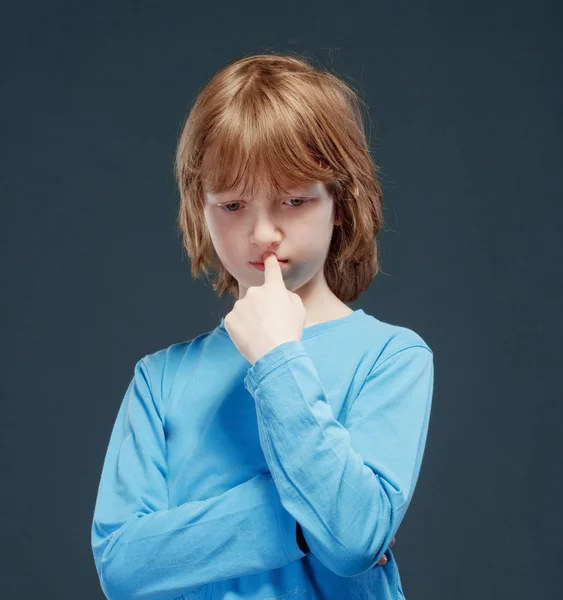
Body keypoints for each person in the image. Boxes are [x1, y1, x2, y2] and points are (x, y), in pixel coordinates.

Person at [91, 52, 434, 600]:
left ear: (341, 203)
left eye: (294, 200)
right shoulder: (160, 380)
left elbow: (351, 541)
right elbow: (122, 566)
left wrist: (278, 358)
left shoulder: (391, 357)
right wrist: (300, 518)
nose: (262, 233)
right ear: (198, 208)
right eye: (231, 205)